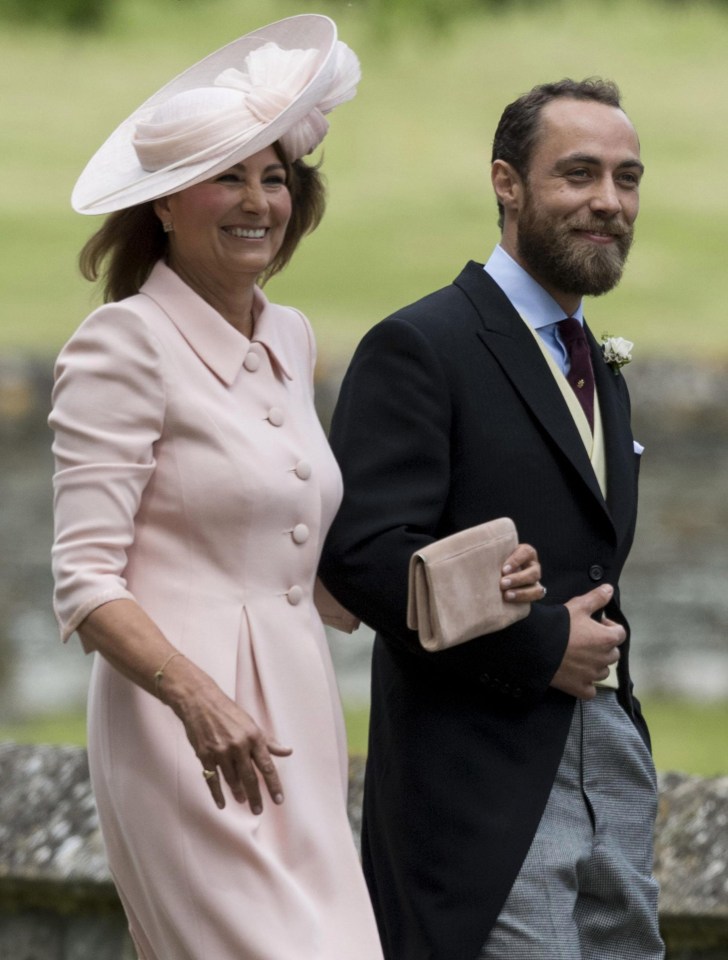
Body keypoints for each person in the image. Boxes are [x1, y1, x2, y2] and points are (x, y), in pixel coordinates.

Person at [49, 15, 384, 960]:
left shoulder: (293, 338)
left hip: (299, 717)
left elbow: (292, 546)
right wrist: (195, 697)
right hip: (181, 730)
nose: (258, 201)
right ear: (162, 203)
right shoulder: (124, 345)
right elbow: (85, 582)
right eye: (226, 176)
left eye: (273, 176)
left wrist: (454, 586)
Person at [319, 78, 665, 960]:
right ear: (506, 183)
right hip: (475, 788)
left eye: (627, 179)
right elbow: (360, 555)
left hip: (611, 766)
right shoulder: (420, 345)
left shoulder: (601, 366)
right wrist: (540, 645)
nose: (609, 202)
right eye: (578, 174)